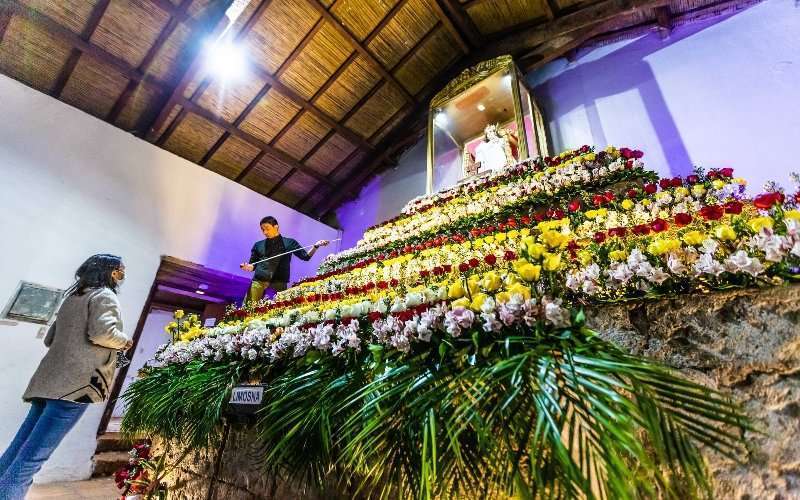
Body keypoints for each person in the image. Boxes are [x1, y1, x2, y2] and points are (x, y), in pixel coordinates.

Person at [0, 254, 132, 499]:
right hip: (76, 387)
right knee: (31, 461)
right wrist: (126, 341)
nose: (123, 275)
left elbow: (50, 339)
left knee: (17, 450)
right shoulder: (104, 296)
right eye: (121, 270)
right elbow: (103, 334)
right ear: (110, 271)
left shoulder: (73, 298)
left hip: (47, 383)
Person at [240, 216, 329, 304]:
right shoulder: (258, 245)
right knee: (248, 308)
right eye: (262, 229)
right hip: (259, 281)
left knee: (280, 308)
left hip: (279, 282)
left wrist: (316, 246)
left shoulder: (290, 243)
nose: (265, 232)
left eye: (267, 228)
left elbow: (305, 257)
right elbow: (253, 265)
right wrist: (247, 267)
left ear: (276, 227)